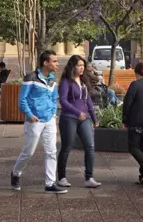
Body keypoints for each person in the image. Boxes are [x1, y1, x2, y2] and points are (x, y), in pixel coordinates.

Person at [11, 50, 66, 194]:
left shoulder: (53, 80)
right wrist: (29, 115)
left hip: (49, 119)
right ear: (45, 62)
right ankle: (16, 173)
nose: (57, 64)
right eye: (54, 61)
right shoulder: (31, 78)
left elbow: (54, 98)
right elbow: (22, 99)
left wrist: (53, 113)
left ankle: (50, 183)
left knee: (51, 151)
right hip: (34, 120)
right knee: (29, 151)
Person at [57, 55, 101, 188]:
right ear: (72, 66)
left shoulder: (83, 82)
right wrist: (77, 113)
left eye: (83, 65)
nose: (82, 68)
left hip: (85, 119)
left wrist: (94, 118)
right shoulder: (66, 81)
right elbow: (63, 100)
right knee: (67, 147)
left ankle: (89, 177)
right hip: (69, 118)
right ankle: (62, 177)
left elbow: (88, 101)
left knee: (90, 146)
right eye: (79, 65)